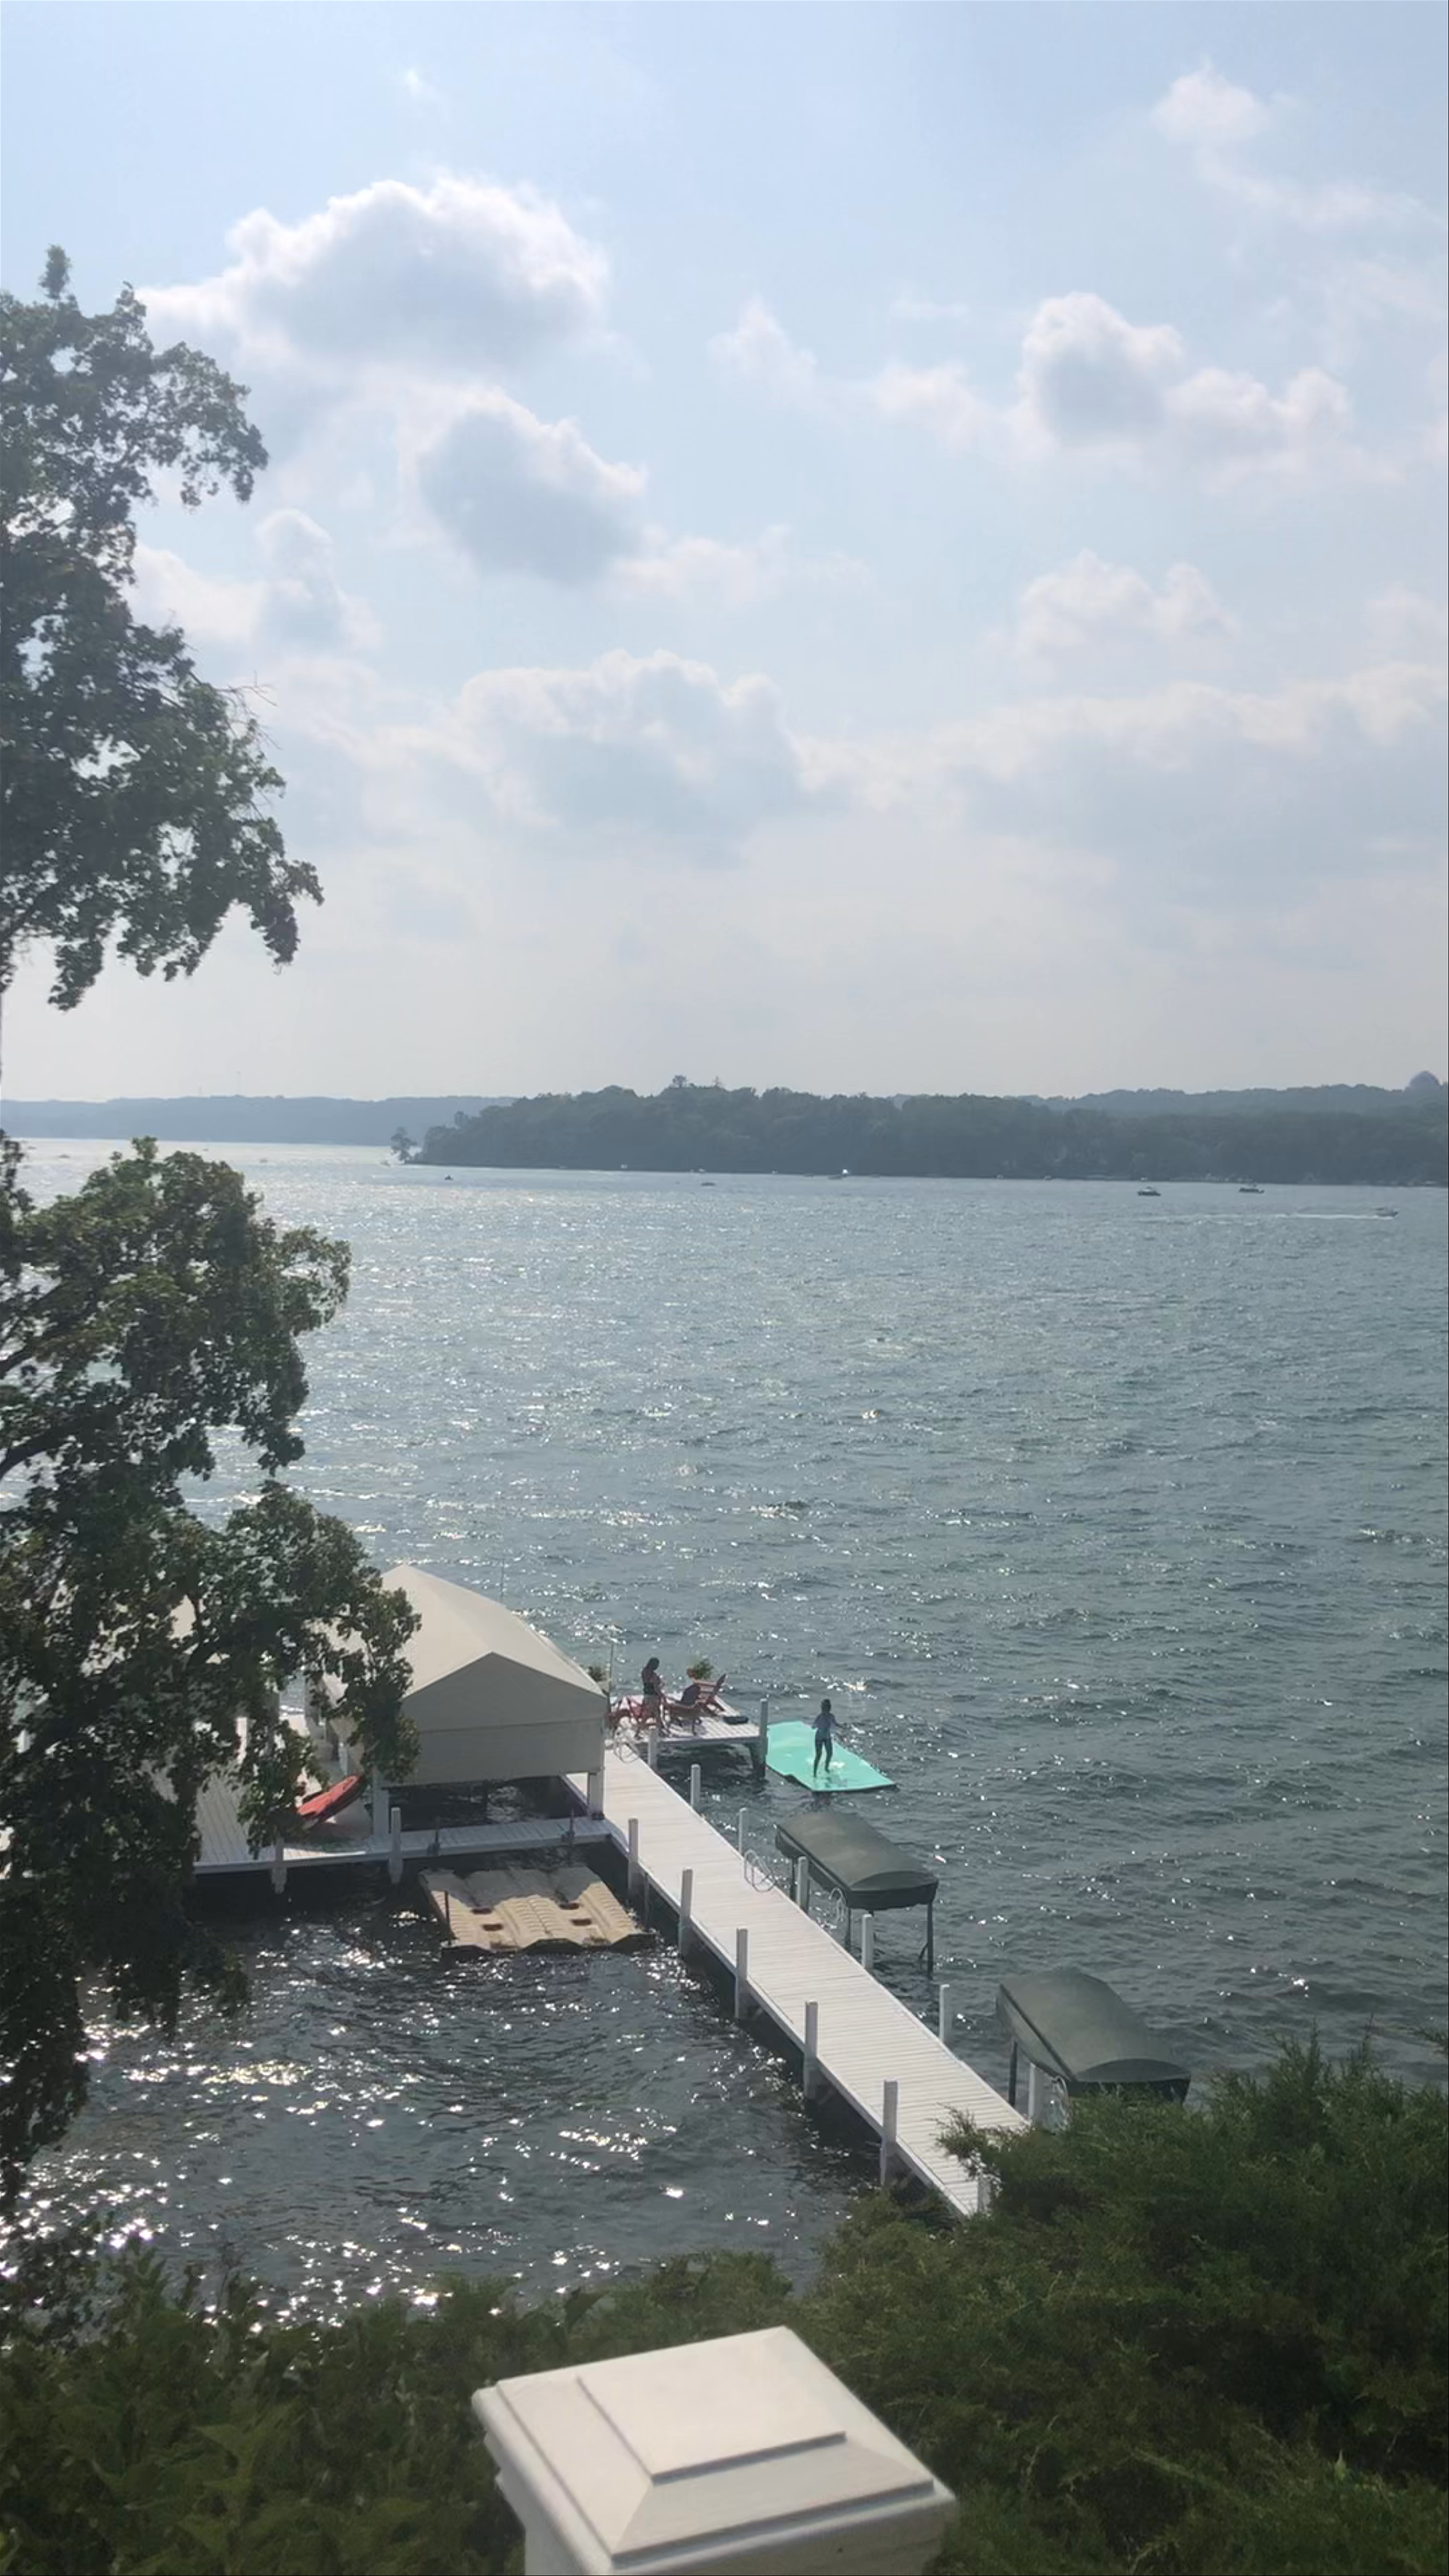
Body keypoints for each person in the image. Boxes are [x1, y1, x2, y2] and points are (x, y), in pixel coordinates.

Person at [812, 1696, 837, 1779]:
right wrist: (814, 1726)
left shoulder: (831, 1717)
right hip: (819, 1738)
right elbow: (814, 1726)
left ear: (829, 1708)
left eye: (826, 1707)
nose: (824, 1709)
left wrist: (842, 1727)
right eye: (823, 1707)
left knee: (830, 1754)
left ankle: (826, 1768)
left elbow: (835, 1724)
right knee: (819, 1755)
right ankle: (815, 1773)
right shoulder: (820, 1717)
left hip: (827, 1738)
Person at [640, 1657, 666, 1727]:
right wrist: (662, 1695)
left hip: (647, 1695)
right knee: (653, 1714)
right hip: (653, 1697)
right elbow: (656, 1688)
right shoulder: (653, 1675)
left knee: (656, 1713)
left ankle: (661, 1728)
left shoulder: (644, 1672)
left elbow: (648, 1684)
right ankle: (639, 1731)